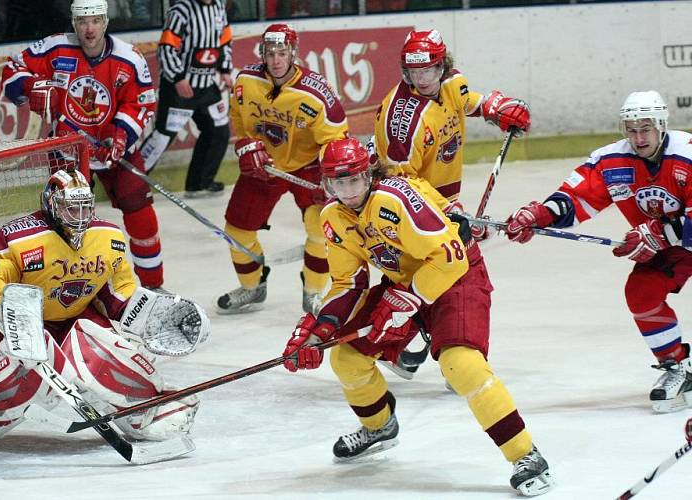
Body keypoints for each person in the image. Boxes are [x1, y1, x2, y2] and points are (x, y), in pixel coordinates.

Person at [281, 138, 553, 496]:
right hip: (405, 283)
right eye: (337, 183)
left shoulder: (395, 199)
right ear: (327, 184)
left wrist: (408, 299)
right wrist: (319, 331)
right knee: (347, 357)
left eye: (354, 180)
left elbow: (450, 257)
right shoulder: (332, 217)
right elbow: (348, 282)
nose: (347, 191)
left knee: (462, 365)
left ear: (369, 175)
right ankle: (379, 427)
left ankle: (526, 455)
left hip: (457, 275)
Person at [0, 168, 209, 454]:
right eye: (70, 208)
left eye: (84, 208)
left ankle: (147, 413)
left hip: (76, 318)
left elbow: (115, 291)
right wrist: (17, 319)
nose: (79, 216)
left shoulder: (107, 236)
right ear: (51, 205)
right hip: (17, 322)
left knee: (105, 351)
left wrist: (153, 315)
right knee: (24, 377)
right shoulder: (19, 238)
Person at [504, 90, 692, 414]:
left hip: (671, 237)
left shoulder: (687, 155)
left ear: (661, 126)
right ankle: (678, 367)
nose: (638, 137)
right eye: (631, 130)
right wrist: (540, 215)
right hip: (671, 247)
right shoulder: (612, 162)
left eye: (645, 129)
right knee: (641, 292)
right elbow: (575, 199)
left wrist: (660, 232)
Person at [372, 29, 531, 378]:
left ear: (443, 66)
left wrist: (493, 107)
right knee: (457, 271)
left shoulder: (451, 82)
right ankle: (458, 355)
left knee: (437, 274)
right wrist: (447, 215)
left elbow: (464, 100)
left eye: (428, 70)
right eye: (414, 73)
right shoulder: (403, 126)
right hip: (409, 209)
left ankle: (396, 345)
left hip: (439, 199)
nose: (421, 79)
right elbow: (400, 186)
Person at [1, 0, 165, 291]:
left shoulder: (129, 58)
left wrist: (120, 135)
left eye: (96, 21)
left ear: (105, 22)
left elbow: (142, 101)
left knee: (139, 210)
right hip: (68, 150)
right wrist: (31, 87)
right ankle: (76, 287)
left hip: (115, 149)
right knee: (67, 221)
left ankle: (153, 288)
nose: (89, 29)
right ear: (74, 23)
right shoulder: (55, 48)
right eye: (83, 22)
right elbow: (13, 70)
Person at [215, 23, 348, 315]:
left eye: (282, 53)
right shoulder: (246, 81)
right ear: (262, 53)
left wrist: (331, 173)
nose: (276, 60)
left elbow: (336, 137)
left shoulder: (316, 93)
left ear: (293, 54)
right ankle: (252, 286)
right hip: (266, 166)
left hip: (310, 167)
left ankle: (313, 291)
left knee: (320, 228)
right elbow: (237, 114)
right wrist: (246, 143)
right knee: (236, 230)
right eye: (270, 52)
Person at [142, 0, 232, 198]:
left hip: (206, 85)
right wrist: (178, 77)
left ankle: (199, 183)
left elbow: (224, 40)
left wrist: (225, 69)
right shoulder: (181, 10)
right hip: (179, 88)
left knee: (219, 131)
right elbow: (166, 47)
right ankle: (131, 185)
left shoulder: (219, 7)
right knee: (163, 136)